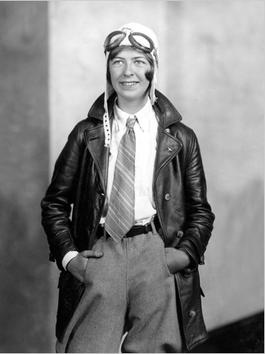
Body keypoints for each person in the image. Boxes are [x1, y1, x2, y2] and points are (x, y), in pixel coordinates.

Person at [41, 22, 215, 353]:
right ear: (108, 69)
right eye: (118, 60)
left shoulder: (179, 138)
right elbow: (54, 204)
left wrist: (180, 256)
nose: (128, 71)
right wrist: (71, 258)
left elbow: (201, 211)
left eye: (138, 60)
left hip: (156, 254)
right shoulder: (85, 134)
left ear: (153, 68)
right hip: (101, 251)